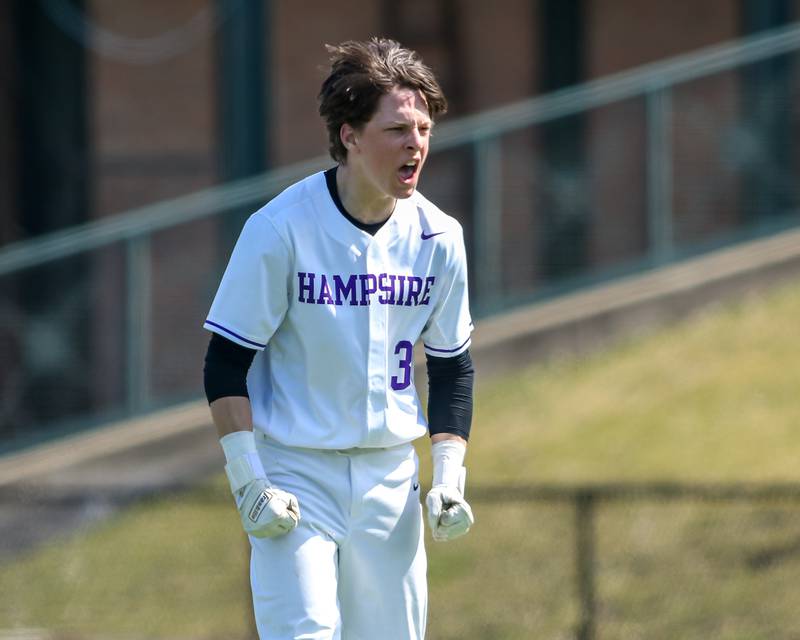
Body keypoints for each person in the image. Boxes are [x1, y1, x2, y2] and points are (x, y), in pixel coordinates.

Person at [202, 37, 475, 640]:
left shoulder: (440, 238)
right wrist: (249, 480)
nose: (416, 144)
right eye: (397, 129)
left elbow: (453, 367)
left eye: (424, 128)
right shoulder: (280, 228)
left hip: (389, 480)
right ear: (349, 135)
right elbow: (225, 364)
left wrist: (448, 478)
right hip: (295, 478)